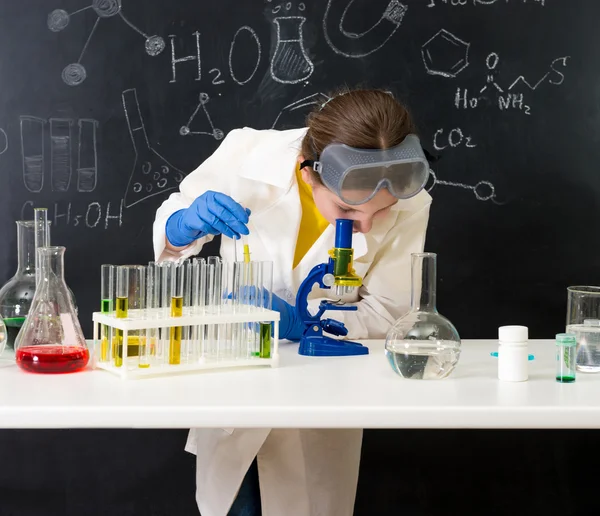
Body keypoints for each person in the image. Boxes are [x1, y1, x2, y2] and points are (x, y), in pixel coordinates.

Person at [153, 88, 433, 516]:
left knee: (306, 500)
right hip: (238, 379)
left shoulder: (414, 205)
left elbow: (392, 313)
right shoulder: (247, 154)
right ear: (309, 175)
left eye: (382, 212)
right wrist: (182, 225)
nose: (367, 226)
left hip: (324, 395)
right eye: (348, 211)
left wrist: (307, 323)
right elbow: (173, 232)